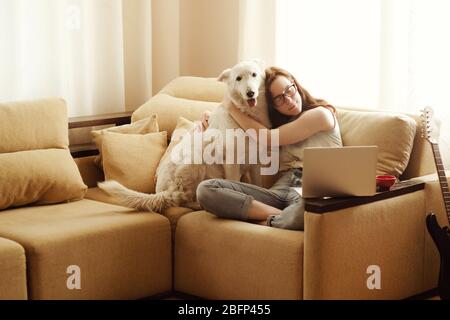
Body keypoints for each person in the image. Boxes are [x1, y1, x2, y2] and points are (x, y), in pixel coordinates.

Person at [195, 66, 343, 230]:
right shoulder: (282, 125)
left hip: (312, 187)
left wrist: (230, 107)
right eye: (279, 99)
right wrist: (213, 116)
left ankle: (267, 218)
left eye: (289, 90)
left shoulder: (321, 114)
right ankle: (282, 216)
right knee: (206, 190)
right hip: (281, 188)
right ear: (273, 106)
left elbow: (268, 138)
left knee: (309, 212)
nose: (288, 99)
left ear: (294, 84)